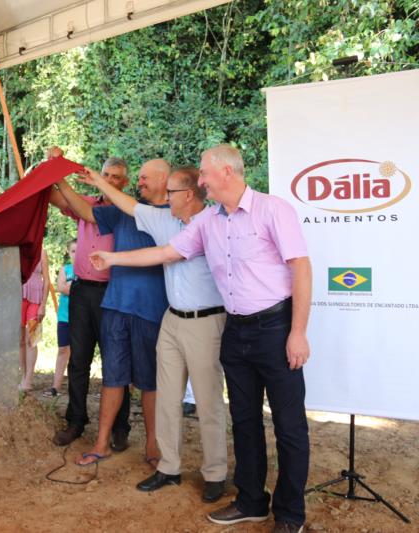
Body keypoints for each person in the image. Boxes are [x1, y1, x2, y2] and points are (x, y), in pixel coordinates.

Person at [90, 144, 311, 533]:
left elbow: (301, 269)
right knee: (244, 421)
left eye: (206, 174)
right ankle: (251, 501)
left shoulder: (273, 210)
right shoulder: (210, 221)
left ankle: (290, 515)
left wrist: (298, 332)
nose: (202, 180)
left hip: (275, 327)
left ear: (227, 172)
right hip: (236, 329)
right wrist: (113, 259)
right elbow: (168, 253)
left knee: (289, 425)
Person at [78, 165, 227, 502]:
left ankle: (216, 473)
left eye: (172, 192)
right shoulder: (165, 219)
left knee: (208, 402)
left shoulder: (212, 223)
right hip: (172, 319)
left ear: (188, 195)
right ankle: (168, 467)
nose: (167, 199)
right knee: (166, 397)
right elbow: (130, 207)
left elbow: (162, 254)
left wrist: (114, 258)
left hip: (206, 321)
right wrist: (99, 181)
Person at [59, 158, 169, 467]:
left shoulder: (171, 215)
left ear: (165, 180)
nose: (141, 182)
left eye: (146, 177)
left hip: (151, 309)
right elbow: (84, 210)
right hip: (115, 305)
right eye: (141, 177)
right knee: (113, 377)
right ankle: (101, 443)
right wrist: (59, 174)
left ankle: (152, 445)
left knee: (149, 381)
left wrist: (98, 180)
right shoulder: (120, 211)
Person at [47, 151, 132, 449]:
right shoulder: (89, 201)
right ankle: (76, 421)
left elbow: (81, 211)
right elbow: (55, 199)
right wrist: (52, 165)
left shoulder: (127, 209)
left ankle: (120, 427)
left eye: (115, 178)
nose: (108, 181)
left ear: (125, 182)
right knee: (78, 360)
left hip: (113, 293)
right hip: (82, 292)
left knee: (116, 361)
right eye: (105, 175)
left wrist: (59, 175)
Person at [44, 239, 77, 398]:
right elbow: (60, 287)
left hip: (82, 318)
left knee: (79, 353)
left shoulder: (87, 269)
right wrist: (77, 288)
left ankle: (76, 387)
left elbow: (68, 288)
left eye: (79, 251)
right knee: (63, 349)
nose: (76, 255)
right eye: (73, 251)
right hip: (65, 316)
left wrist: (70, 287)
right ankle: (56, 386)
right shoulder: (66, 269)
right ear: (68, 253)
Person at [20, 248, 49, 391]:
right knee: (20, 340)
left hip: (36, 300)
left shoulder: (42, 251)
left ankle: (28, 380)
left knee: (32, 339)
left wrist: (43, 305)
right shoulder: (16, 248)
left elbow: (47, 281)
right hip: (19, 296)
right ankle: (22, 375)